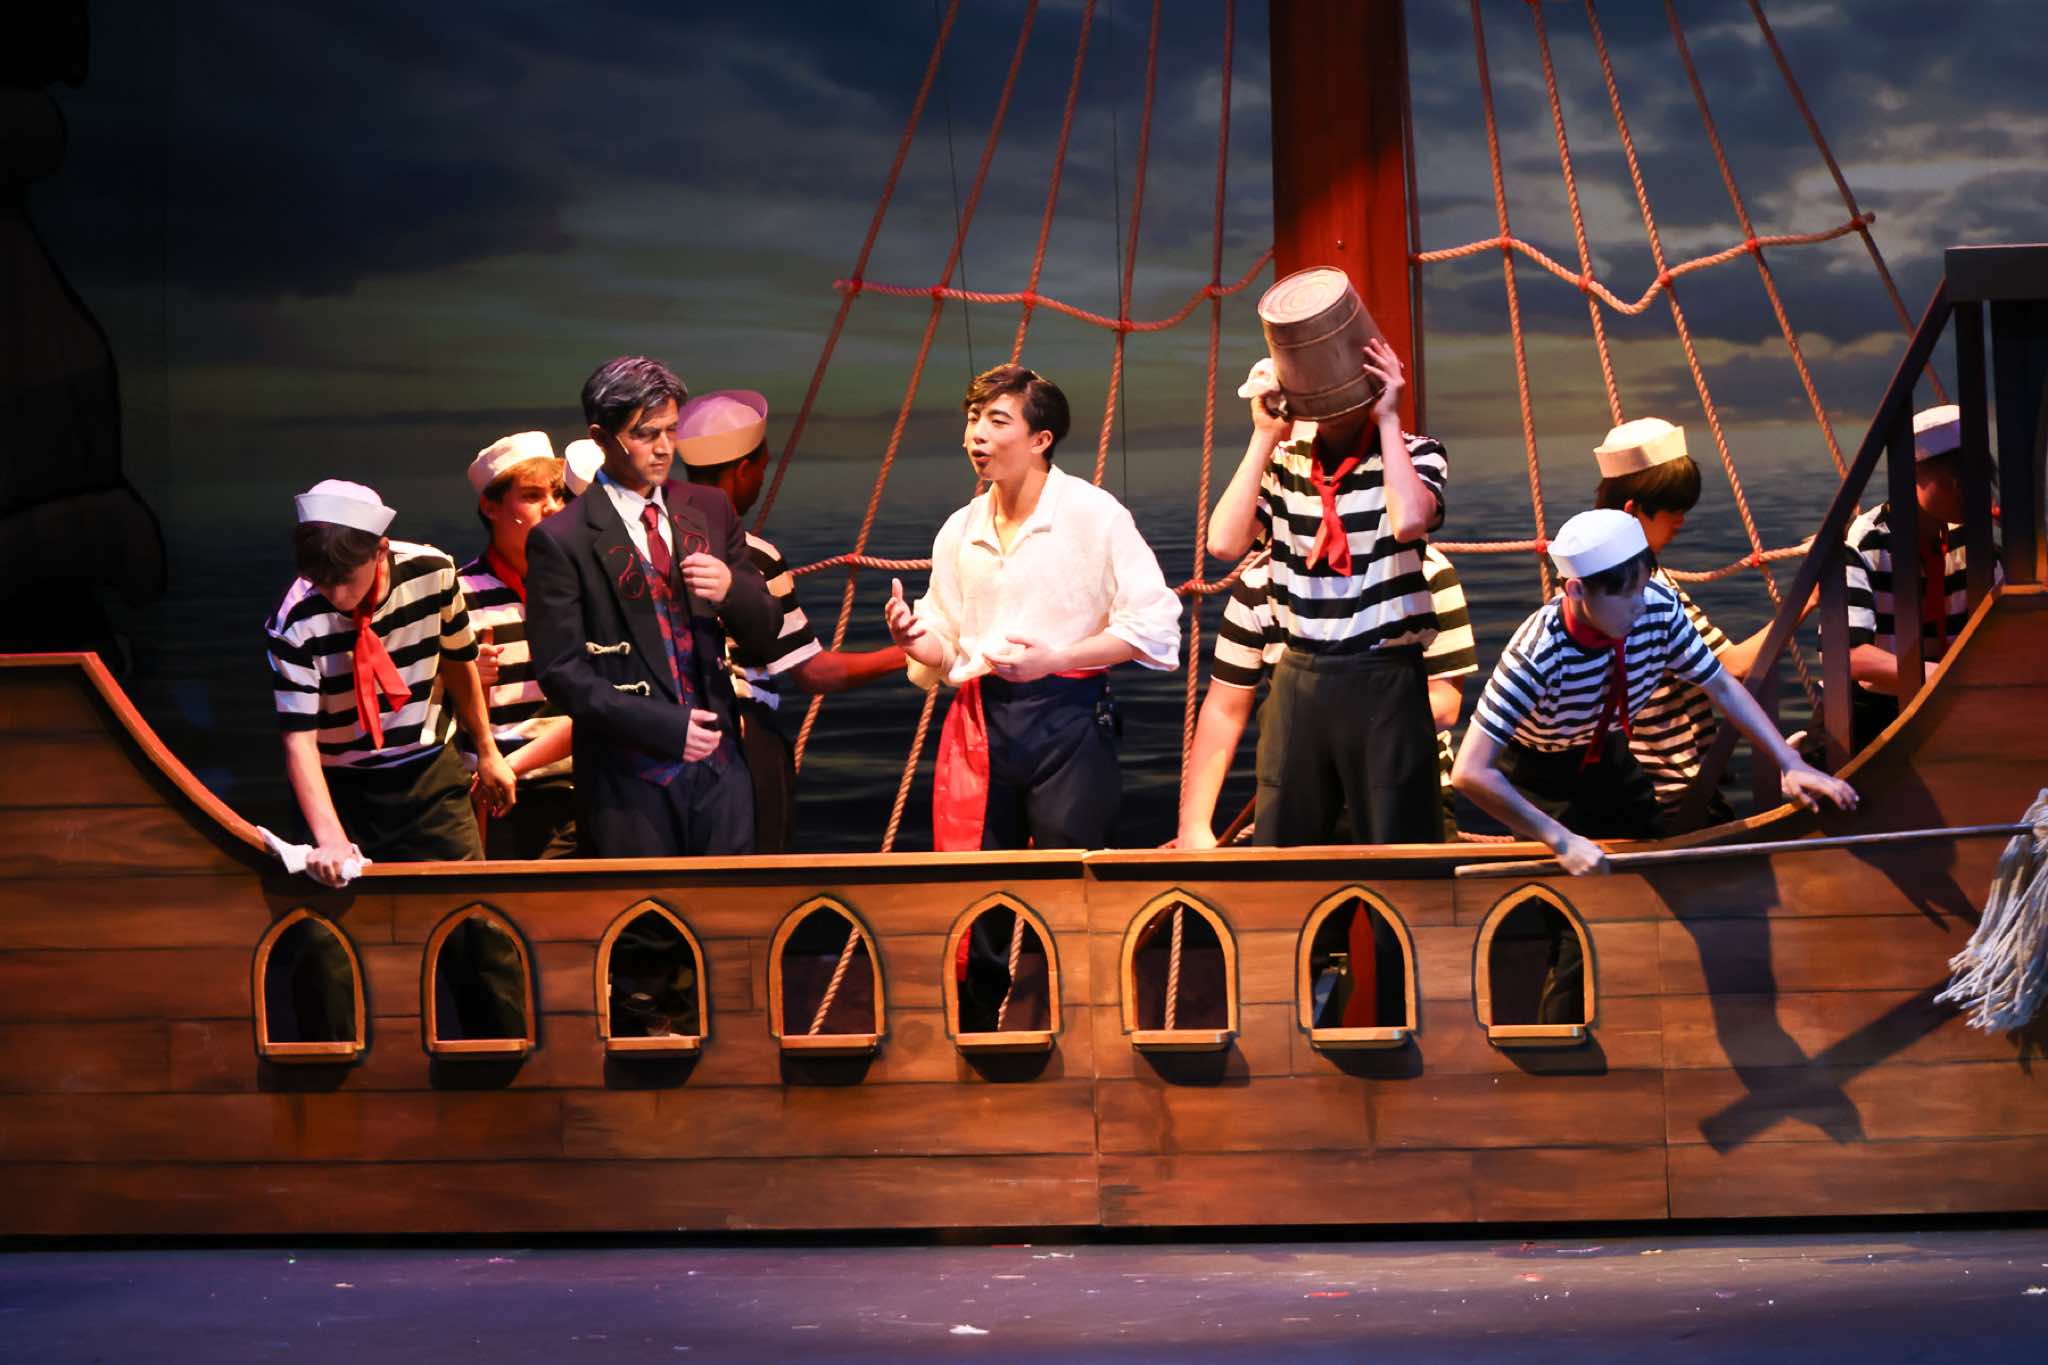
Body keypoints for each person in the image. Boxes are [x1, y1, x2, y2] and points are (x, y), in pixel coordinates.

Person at [1453, 508, 1858, 876]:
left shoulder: (1658, 606)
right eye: (1624, 593)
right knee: (1569, 894)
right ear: (1575, 590)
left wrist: (1789, 762)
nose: (1639, 606)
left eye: (1642, 588)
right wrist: (1559, 839)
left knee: (1650, 863)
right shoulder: (1538, 654)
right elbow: (1470, 771)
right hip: (1540, 770)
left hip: (1609, 753)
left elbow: (1720, 684)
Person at [884, 363, 1181, 850]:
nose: (978, 435)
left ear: (1040, 440)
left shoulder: (1094, 514)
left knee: (1070, 877)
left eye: (997, 421)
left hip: (1070, 716)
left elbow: (1153, 624)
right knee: (978, 882)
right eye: (973, 419)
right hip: (983, 719)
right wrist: (916, 640)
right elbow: (947, 643)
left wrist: (1058, 658)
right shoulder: (960, 528)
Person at [524, 356, 781, 858]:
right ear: (601, 437)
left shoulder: (709, 509)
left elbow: (766, 631)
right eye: (645, 434)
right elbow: (561, 673)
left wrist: (732, 589)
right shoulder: (561, 538)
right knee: (644, 910)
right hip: (628, 783)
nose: (664, 447)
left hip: (722, 776)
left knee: (731, 906)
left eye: (671, 430)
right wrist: (665, 727)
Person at [1206, 340, 1448, 845]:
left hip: (1384, 674)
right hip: (1300, 674)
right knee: (1287, 844)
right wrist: (1264, 436)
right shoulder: (1286, 463)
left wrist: (1387, 419)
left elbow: (1410, 520)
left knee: (1398, 841)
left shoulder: (1416, 452)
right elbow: (1224, 543)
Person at [674, 389, 906, 852]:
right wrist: (910, 654)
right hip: (741, 741)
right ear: (743, 470)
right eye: (762, 468)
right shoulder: (755, 558)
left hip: (661, 741)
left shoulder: (647, 544)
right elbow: (814, 673)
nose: (762, 480)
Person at [264, 479, 515, 886]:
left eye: (346, 578)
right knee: (335, 913)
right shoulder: (295, 619)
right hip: (340, 786)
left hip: (427, 773)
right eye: (323, 580)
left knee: (465, 907)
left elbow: (458, 663)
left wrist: (488, 750)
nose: (336, 594)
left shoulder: (432, 572)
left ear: (380, 550)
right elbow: (299, 740)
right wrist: (332, 839)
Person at [1176, 545, 1477, 847]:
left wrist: (1329, 736)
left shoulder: (1424, 569)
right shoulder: (1259, 580)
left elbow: (1444, 703)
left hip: (1404, 785)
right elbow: (1225, 710)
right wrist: (1194, 823)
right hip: (1299, 793)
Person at [1591, 417, 1781, 828]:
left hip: (1625, 787)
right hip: (1669, 794)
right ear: (1633, 511)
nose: (1681, 519)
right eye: (1672, 507)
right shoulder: (1647, 589)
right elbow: (1731, 666)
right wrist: (1811, 597)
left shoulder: (1591, 578)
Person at [1844, 403, 2003, 751]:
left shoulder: (1973, 539)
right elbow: (1850, 655)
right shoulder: (1868, 541)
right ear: (1911, 475)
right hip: (1876, 712)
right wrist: (1946, 677)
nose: (1967, 492)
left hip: (1954, 704)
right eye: (1955, 480)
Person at [457, 431, 578, 859]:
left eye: (557, 494)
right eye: (531, 496)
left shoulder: (581, 588)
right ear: (490, 507)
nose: (552, 507)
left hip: (579, 787)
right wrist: (459, 680)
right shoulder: (459, 596)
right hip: (495, 796)